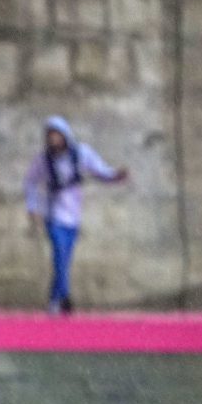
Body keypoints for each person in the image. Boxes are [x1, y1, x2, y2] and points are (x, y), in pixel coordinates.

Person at [23, 115, 128, 314]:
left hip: (73, 215)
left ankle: (54, 302)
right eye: (50, 135)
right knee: (59, 254)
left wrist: (115, 176)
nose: (53, 139)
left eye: (57, 135)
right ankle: (65, 297)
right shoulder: (44, 160)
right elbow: (30, 182)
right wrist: (33, 207)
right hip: (54, 215)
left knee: (64, 260)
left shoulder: (81, 154)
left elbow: (100, 171)